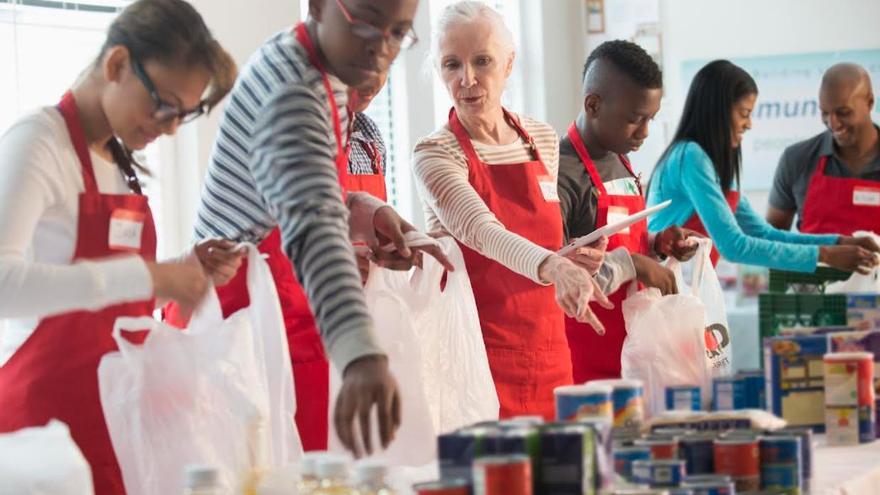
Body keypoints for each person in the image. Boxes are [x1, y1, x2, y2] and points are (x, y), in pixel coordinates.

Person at [0, 1, 241, 493]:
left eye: (184, 115)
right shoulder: (38, 143)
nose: (171, 127)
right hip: (45, 436)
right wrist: (151, 276)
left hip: (117, 424)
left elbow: (110, 307)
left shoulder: (119, 161)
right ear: (117, 65)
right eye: (165, 105)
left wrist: (183, 273)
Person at [186, 0, 443, 456]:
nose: (382, 48)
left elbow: (301, 189)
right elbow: (310, 225)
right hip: (243, 320)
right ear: (321, 5)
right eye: (368, 21)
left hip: (285, 313)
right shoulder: (292, 91)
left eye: (399, 33)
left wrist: (365, 210)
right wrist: (361, 355)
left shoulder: (328, 74)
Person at [413, 1, 612, 420]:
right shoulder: (434, 153)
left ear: (508, 63)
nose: (467, 79)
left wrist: (569, 256)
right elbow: (483, 231)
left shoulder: (540, 138)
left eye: (482, 61)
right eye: (452, 64)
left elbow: (542, 240)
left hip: (550, 348)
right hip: (474, 360)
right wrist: (555, 268)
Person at [647, 60, 879, 274]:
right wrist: (826, 254)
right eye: (744, 114)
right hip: (664, 289)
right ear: (718, 111)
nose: (749, 124)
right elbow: (734, 245)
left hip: (685, 291)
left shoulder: (715, 167)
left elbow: (766, 234)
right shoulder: (690, 157)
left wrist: (840, 242)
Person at [558, 40, 699, 383]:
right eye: (635, 119)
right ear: (593, 105)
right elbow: (555, 276)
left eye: (650, 118)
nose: (645, 132)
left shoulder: (620, 159)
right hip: (588, 362)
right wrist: (633, 264)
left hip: (634, 352)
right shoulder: (561, 173)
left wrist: (656, 243)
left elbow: (612, 236)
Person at [767, 63, 880, 236]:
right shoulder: (796, 160)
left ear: (870, 102)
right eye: (825, 113)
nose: (833, 123)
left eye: (843, 112)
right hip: (815, 264)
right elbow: (770, 241)